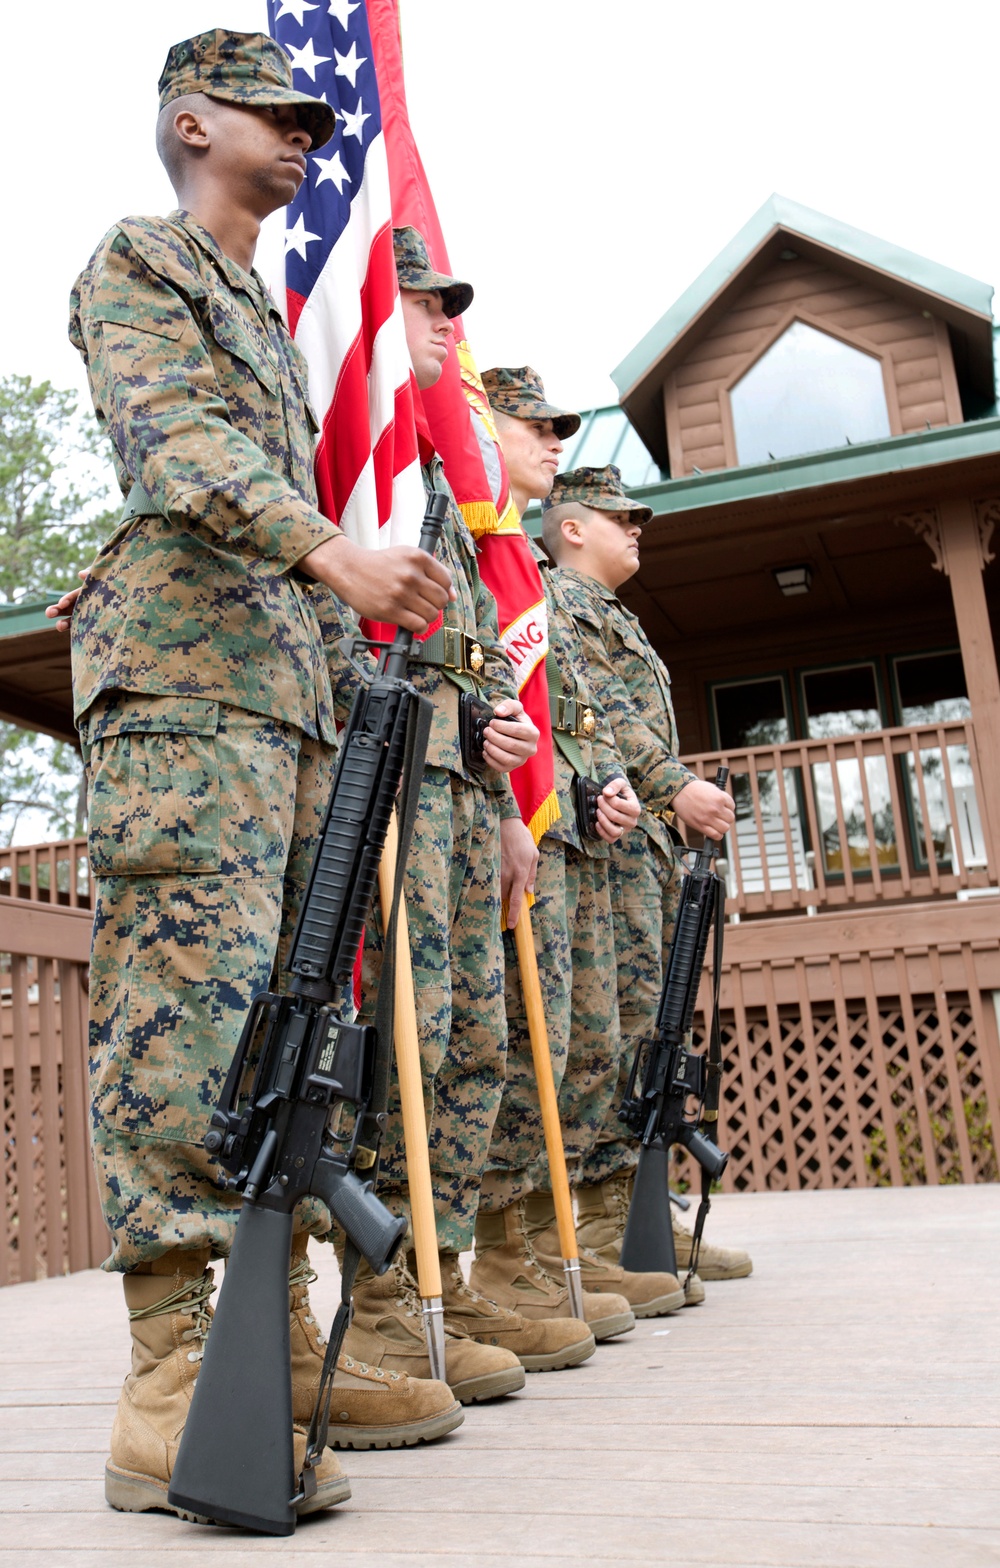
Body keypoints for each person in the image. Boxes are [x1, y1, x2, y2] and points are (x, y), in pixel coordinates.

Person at [67, 31, 464, 1521]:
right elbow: (171, 444)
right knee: (190, 1015)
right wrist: (329, 550)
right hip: (185, 694)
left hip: (282, 704)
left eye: (314, 120)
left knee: (289, 1032)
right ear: (189, 121)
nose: (306, 138)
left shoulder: (265, 311)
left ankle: (276, 1330)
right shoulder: (141, 263)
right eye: (276, 113)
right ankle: (173, 1371)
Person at [342, 233, 599, 1401]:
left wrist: (501, 785)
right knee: (386, 1052)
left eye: (452, 303)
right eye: (422, 300)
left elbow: (460, 663)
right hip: (375, 794)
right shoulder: (358, 452)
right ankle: (380, 1300)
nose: (447, 320)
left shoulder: (434, 486)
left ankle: (448, 1269)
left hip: (451, 798)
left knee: (456, 1043)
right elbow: (351, 637)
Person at [475, 368, 687, 1321]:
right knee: (527, 1041)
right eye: (536, 425)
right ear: (570, 528)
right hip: (522, 830)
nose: (635, 533)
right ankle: (522, 1250)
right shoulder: (529, 581)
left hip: (582, 832)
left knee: (596, 1037)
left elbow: (582, 726)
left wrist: (598, 788)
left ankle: (583, 1238)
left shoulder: (563, 598)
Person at [540, 466, 753, 1288]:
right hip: (616, 845)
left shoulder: (615, 616)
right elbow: (607, 719)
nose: (637, 529)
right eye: (619, 516)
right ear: (572, 527)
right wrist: (676, 786)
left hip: (647, 853)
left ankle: (642, 1216)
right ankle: (600, 1238)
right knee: (617, 1035)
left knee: (650, 1038)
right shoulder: (563, 605)